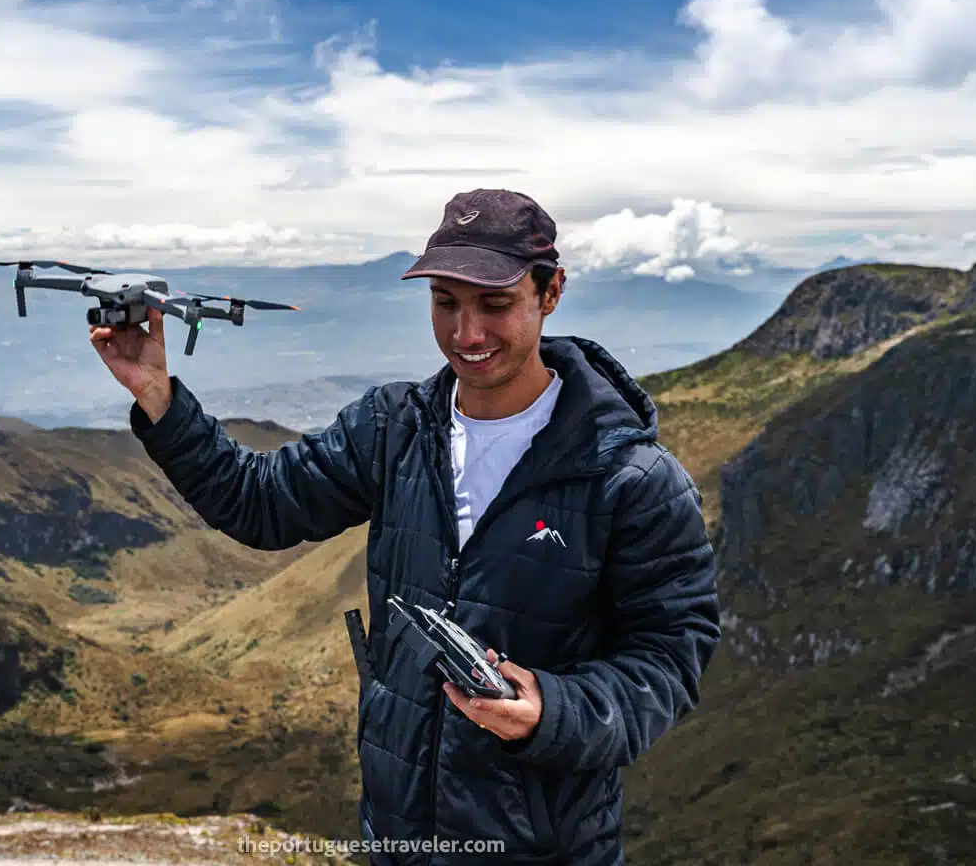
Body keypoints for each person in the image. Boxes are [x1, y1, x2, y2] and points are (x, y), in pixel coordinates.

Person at [90, 188, 720, 865]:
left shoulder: (630, 478)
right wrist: (156, 393)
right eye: (446, 303)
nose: (467, 334)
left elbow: (670, 657)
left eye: (495, 304)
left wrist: (555, 710)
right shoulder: (392, 429)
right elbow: (261, 503)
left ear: (551, 291)